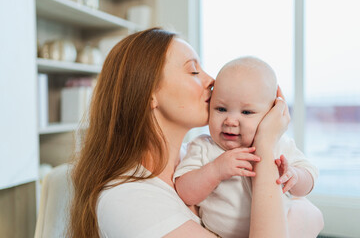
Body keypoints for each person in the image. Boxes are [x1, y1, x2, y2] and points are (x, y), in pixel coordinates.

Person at [68, 28, 303, 238]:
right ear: (149, 94)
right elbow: (307, 215)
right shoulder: (127, 199)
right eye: (193, 71)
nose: (212, 80)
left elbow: (310, 210)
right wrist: (265, 142)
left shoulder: (193, 155)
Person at [174, 57, 323, 238]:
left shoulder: (279, 144)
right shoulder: (204, 146)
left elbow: (309, 178)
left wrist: (295, 175)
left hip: (281, 229)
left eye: (246, 112)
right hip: (222, 234)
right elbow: (184, 192)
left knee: (304, 215)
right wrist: (215, 170)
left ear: (271, 114)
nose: (230, 120)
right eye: (221, 109)